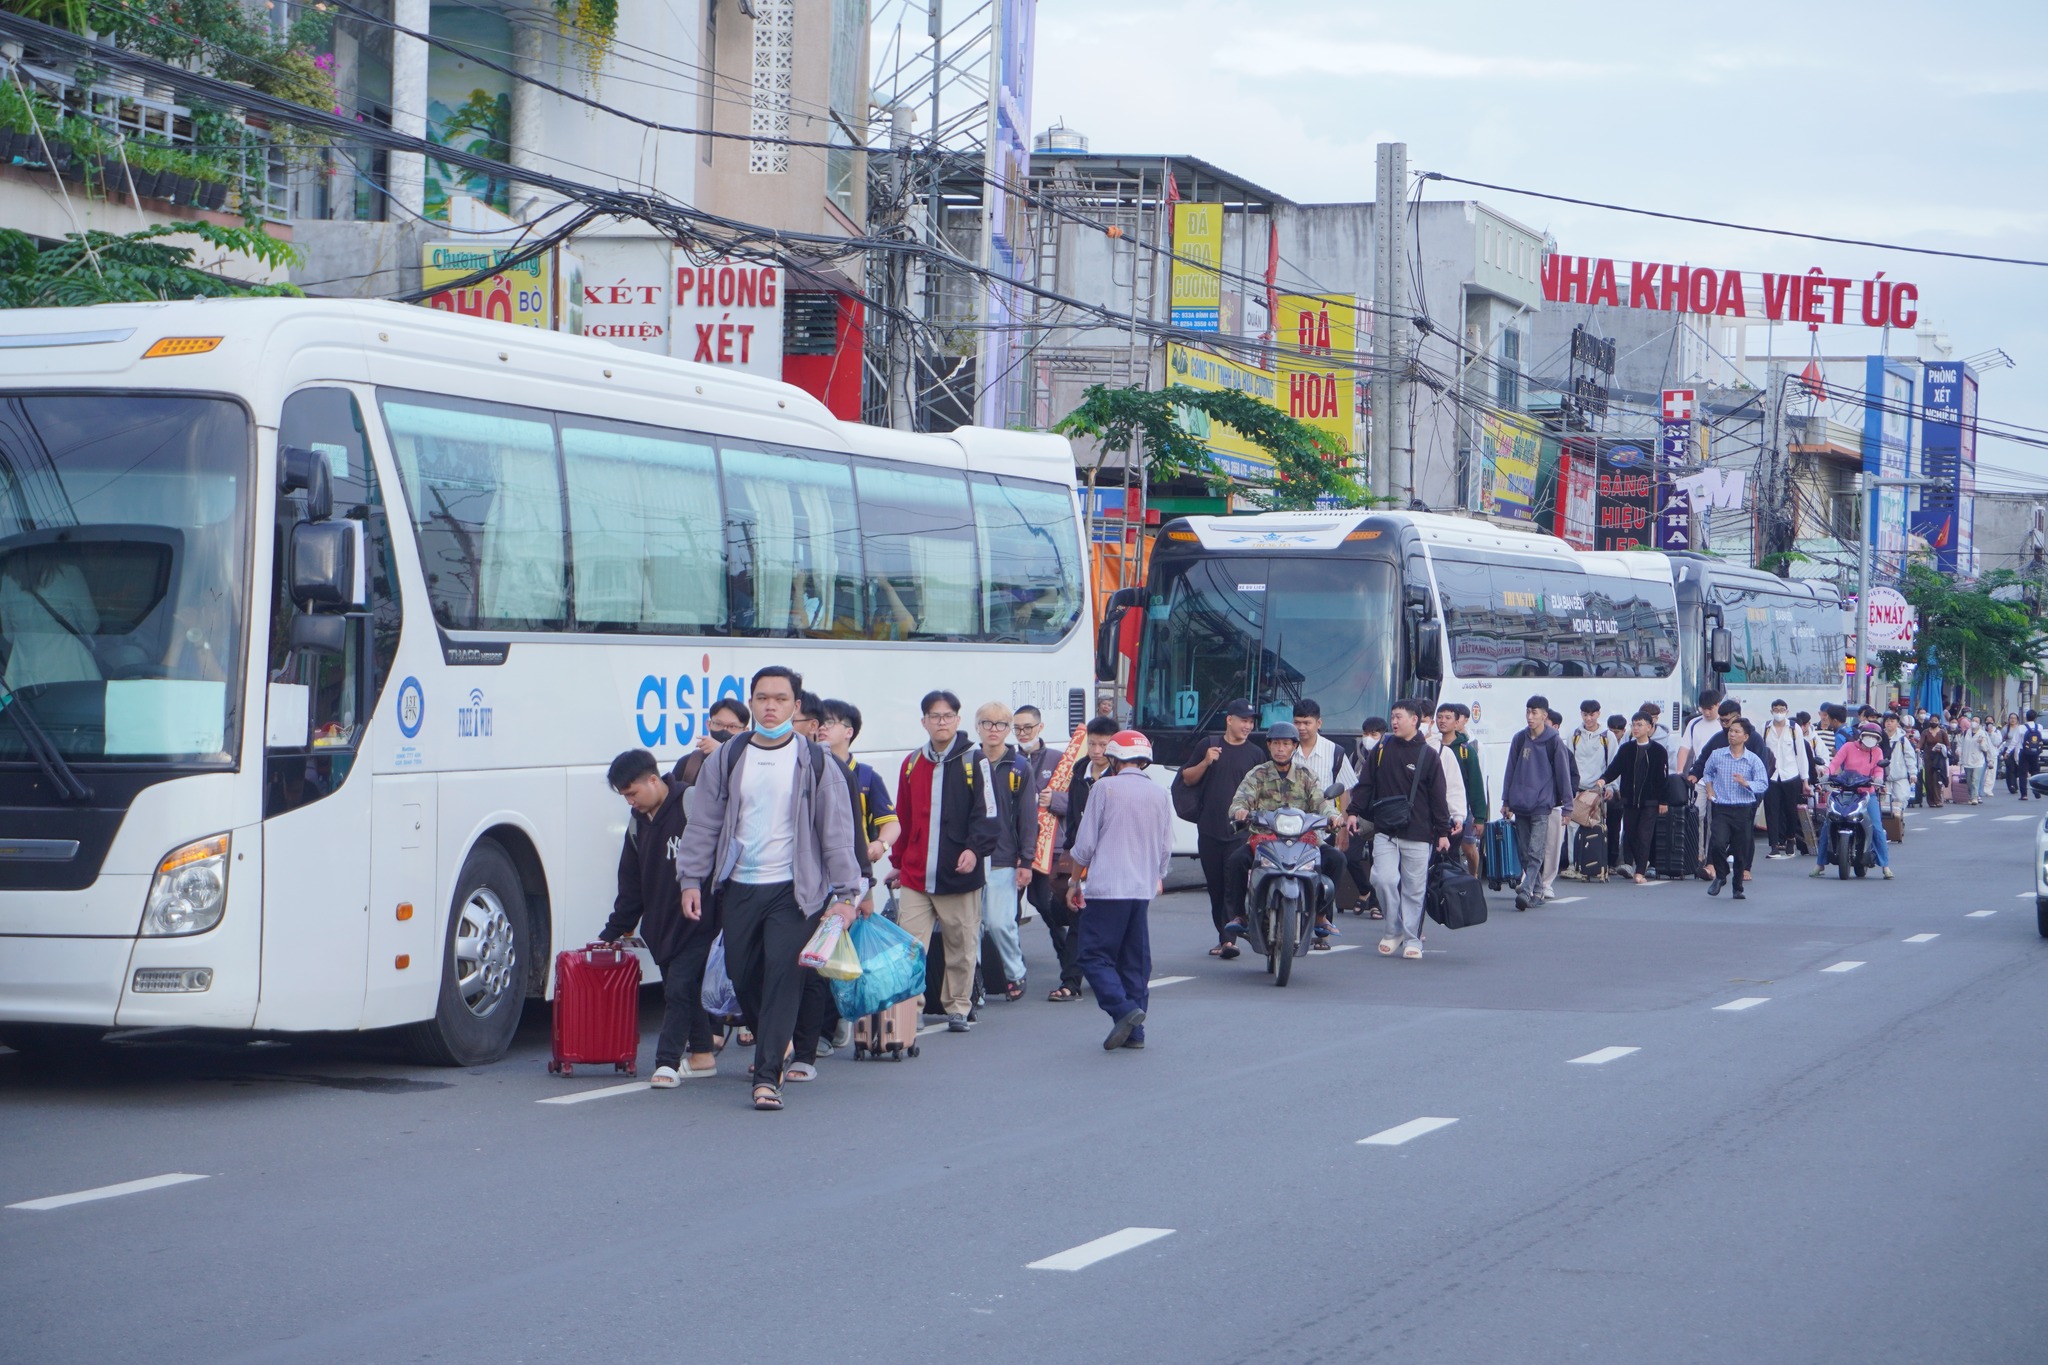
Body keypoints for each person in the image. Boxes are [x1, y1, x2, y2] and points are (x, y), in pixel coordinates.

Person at [675, 666, 862, 1111]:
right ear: (752, 702)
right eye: (762, 698)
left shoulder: (818, 762)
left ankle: (765, 1078)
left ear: (796, 706)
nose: (770, 705)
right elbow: (704, 823)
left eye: (780, 698)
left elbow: (836, 833)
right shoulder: (729, 756)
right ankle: (773, 1046)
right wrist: (690, 880)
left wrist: (847, 894)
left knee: (783, 974)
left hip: (795, 891)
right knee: (743, 974)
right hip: (739, 884)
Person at [789, 698, 898, 1075]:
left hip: (847, 880)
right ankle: (817, 1027)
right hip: (807, 880)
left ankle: (824, 1028)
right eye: (820, 722)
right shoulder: (801, 767)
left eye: (830, 723)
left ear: (848, 731)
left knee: (831, 959)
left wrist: (875, 857)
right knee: (813, 959)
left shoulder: (862, 775)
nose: (823, 729)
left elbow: (879, 827)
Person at [598, 749, 717, 1088]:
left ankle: (666, 1062)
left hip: (702, 919)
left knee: (678, 989)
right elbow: (631, 882)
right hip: (662, 926)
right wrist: (616, 928)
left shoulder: (692, 802)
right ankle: (704, 1056)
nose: (630, 802)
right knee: (685, 991)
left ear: (653, 780)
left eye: (632, 793)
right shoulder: (638, 824)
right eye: (624, 796)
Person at [893, 689, 1001, 1033]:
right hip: (915, 875)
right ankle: (912, 1007)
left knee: (961, 946)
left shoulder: (975, 759)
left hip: (959, 874)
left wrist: (975, 849)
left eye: (948, 716)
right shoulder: (912, 763)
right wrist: (897, 862)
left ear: (957, 720)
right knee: (910, 948)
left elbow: (987, 812)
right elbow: (903, 816)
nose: (941, 722)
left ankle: (958, 1007)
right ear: (924, 721)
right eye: (934, 716)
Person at [1066, 730, 1175, 1051]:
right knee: (1134, 962)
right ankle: (1135, 1033)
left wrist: (1074, 882)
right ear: (1143, 760)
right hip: (1141, 888)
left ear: (1113, 759)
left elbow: (1084, 846)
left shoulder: (1104, 788)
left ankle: (1123, 1009)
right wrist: (1156, 876)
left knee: (1093, 955)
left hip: (1106, 887)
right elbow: (1165, 848)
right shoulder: (1158, 793)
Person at [1219, 721, 1345, 948]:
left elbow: (1321, 801)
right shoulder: (1257, 774)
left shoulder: (1306, 775)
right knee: (1236, 861)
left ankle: (1320, 915)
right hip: (1265, 839)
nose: (1280, 748)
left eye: (1286, 743)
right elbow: (1240, 798)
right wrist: (1240, 810)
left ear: (1294, 746)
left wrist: (1333, 817)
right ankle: (1240, 915)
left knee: (1336, 859)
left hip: (1304, 841)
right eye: (1276, 743)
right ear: (1268, 745)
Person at [1352, 699, 1452, 959]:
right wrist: (1352, 812)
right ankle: (1393, 927)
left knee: (1414, 889)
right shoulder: (1382, 748)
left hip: (1419, 833)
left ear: (1414, 720)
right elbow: (1365, 784)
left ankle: (1412, 939)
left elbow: (1438, 797)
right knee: (1382, 879)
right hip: (1385, 830)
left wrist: (1442, 832)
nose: (1394, 722)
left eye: (1399, 717)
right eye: (1393, 717)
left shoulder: (1428, 754)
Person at [1173, 700, 1266, 956]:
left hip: (1241, 833)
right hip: (1209, 829)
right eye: (1243, 720)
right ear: (1229, 720)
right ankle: (1223, 934)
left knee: (1231, 884)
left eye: (1250, 721)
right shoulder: (1209, 744)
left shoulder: (1256, 754)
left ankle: (1229, 939)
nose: (1248, 726)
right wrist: (1206, 762)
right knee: (1215, 886)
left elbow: (1262, 793)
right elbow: (1187, 778)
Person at [1043, 716, 1118, 989]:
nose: (1097, 751)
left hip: (1113, 858)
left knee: (1107, 920)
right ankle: (1071, 981)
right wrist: (1070, 851)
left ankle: (1102, 975)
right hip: (1081, 856)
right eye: (1093, 744)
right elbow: (1074, 817)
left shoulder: (1120, 774)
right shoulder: (1080, 771)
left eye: (1103, 745)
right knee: (1074, 914)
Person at [973, 700, 1037, 1002]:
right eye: (987, 723)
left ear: (1009, 729)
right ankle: (974, 984)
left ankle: (1014, 972)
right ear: (977, 727)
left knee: (1000, 923)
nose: (993, 730)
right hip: (970, 858)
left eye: (1000, 724)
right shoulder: (968, 762)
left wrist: (1026, 860)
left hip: (1003, 859)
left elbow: (1028, 818)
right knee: (970, 926)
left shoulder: (1020, 767)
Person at [1501, 695, 1573, 911]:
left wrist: (1568, 806)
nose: (1530, 717)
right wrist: (1506, 800)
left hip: (1542, 804)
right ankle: (1538, 891)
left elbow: (1563, 774)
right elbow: (1510, 771)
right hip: (1520, 803)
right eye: (1528, 712)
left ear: (1544, 715)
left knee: (1535, 850)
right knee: (1524, 851)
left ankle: (1526, 890)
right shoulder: (1519, 738)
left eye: (1535, 713)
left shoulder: (1553, 741)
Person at [1814, 722, 1892, 880]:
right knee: (1828, 823)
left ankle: (1885, 866)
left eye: (1874, 738)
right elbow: (1834, 763)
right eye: (1868, 736)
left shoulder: (1877, 752)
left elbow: (1878, 770)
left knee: (1877, 827)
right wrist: (1826, 774)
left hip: (1867, 794)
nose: (1870, 740)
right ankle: (1820, 864)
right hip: (1845, 792)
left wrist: (1878, 779)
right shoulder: (1848, 747)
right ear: (1861, 736)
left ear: (1878, 740)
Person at [1598, 714, 1670, 884]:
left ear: (1649, 728)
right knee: (1630, 833)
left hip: (1650, 801)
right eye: (1634, 725)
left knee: (1645, 834)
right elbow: (1615, 768)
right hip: (1629, 799)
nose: (1636, 728)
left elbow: (1663, 778)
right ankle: (1631, 864)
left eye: (1640, 725)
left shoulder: (1658, 751)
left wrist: (1663, 801)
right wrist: (1604, 779)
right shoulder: (1626, 749)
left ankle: (1640, 871)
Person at [1701, 721, 1766, 899]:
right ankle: (1721, 875)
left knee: (1740, 850)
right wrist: (1709, 789)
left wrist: (1746, 783)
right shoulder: (1717, 755)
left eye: (1737, 732)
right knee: (1717, 843)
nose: (1732, 734)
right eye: (1731, 731)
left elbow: (1762, 783)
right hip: (1721, 807)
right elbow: (1707, 772)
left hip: (1743, 809)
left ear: (1745, 737)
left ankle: (1737, 887)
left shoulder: (1753, 760)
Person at [1565, 700, 1614, 876]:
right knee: (1572, 826)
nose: (1588, 718)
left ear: (1598, 714)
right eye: (1585, 715)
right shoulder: (1574, 735)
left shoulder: (1607, 737)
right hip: (1577, 788)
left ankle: (1593, 865)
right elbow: (1567, 763)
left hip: (1597, 789)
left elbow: (1613, 764)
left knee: (1594, 826)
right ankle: (1573, 865)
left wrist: (1611, 787)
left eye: (1592, 714)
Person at [1439, 704, 1488, 879]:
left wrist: (1479, 817)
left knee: (1464, 849)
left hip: (1460, 810)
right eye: (1440, 717)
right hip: (1437, 811)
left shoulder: (1466, 751)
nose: (1442, 721)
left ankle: (1471, 877)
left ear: (1456, 722)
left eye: (1448, 717)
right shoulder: (1431, 747)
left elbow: (1476, 784)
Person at [1760, 700, 1804, 859]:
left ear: (1787, 710)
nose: (1779, 712)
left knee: (1790, 810)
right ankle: (1774, 845)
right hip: (1770, 775)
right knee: (1771, 810)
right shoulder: (1765, 728)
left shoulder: (1793, 728)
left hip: (1790, 774)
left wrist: (1805, 779)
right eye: (1776, 709)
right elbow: (1760, 752)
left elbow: (1801, 754)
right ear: (1771, 711)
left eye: (1782, 709)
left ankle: (1790, 839)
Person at [673, 698, 751, 787]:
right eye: (718, 724)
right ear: (708, 725)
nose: (724, 730)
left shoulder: (751, 762)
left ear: (745, 731)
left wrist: (722, 752)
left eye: (732, 726)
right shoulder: (689, 763)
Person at [1957, 715, 1992, 804]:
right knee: (1968, 780)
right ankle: (1970, 795)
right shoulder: (1965, 733)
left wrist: (1981, 743)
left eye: (1976, 721)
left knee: (1975, 779)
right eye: (1973, 720)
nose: (1974, 722)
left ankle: (1975, 797)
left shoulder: (1982, 734)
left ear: (1979, 724)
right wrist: (1959, 751)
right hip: (1967, 760)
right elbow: (1960, 744)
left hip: (1978, 761)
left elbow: (1985, 748)